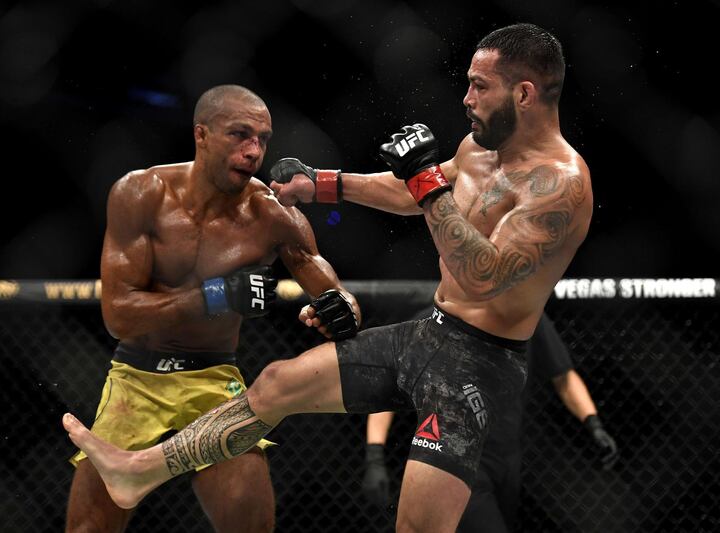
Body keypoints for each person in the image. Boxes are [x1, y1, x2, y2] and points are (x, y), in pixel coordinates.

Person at [63, 23, 593, 532]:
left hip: (481, 366)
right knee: (277, 382)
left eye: (480, 86)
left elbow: (484, 276)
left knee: (417, 526)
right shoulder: (479, 149)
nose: (466, 98)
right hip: (430, 331)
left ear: (524, 94)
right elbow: (409, 191)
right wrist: (320, 186)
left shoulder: (559, 185)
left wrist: (427, 183)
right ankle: (140, 470)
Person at [65, 84, 361, 533]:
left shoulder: (272, 214)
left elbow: (331, 288)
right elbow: (119, 316)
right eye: (240, 135)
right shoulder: (142, 193)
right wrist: (216, 295)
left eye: (262, 138)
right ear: (201, 135)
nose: (253, 150)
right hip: (136, 379)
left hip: (214, 382)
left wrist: (344, 310)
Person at [361, 313, 619, 532]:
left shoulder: (526, 317)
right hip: (455, 457)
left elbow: (563, 376)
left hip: (509, 458)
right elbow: (391, 388)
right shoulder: (433, 321)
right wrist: (374, 455)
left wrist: (593, 423)